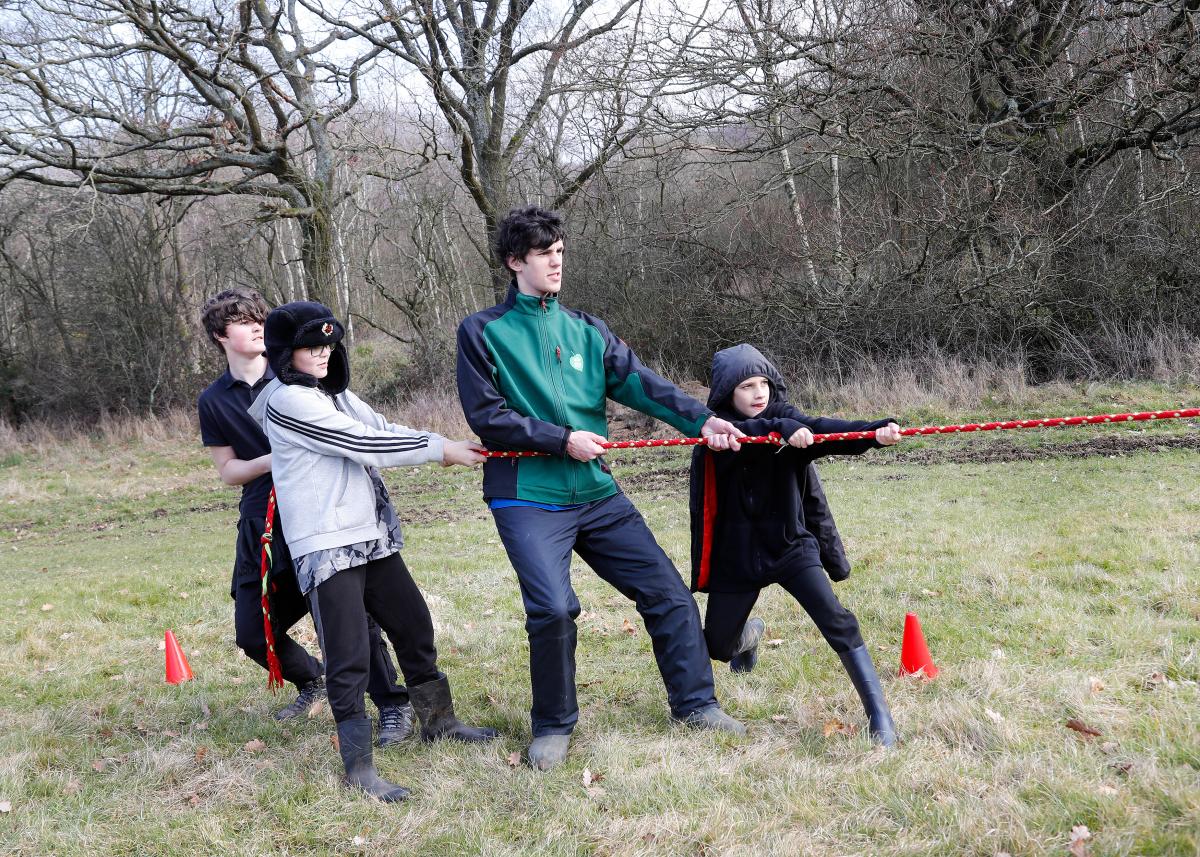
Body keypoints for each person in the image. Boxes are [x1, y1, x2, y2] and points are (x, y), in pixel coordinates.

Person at [456, 205, 747, 771]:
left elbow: (640, 383)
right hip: (527, 495)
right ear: (516, 262)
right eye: (544, 253)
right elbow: (486, 415)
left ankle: (695, 703)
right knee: (552, 608)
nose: (556, 261)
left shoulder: (587, 329)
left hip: (595, 491)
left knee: (666, 592)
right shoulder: (481, 332)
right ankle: (553, 725)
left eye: (560, 251)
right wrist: (560, 438)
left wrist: (700, 420)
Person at [249, 300, 497, 802]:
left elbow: (381, 429)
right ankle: (358, 769)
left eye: (327, 345)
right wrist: (437, 449)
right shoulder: (288, 402)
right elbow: (359, 443)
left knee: (413, 625)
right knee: (348, 655)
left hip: (370, 534)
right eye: (309, 347)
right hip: (326, 544)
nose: (322, 355)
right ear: (283, 354)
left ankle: (439, 721)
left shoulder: (330, 393)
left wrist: (444, 443)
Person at [197, 289, 415, 743]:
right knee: (254, 632)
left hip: (321, 516)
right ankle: (310, 680)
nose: (256, 325)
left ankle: (392, 705)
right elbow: (228, 470)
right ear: (220, 335)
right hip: (264, 522)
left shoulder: (305, 380)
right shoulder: (214, 400)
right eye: (241, 321)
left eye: (259, 318)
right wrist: (282, 452)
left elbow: (363, 434)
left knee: (353, 619)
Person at [688, 343, 902, 746]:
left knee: (835, 618)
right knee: (717, 644)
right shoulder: (715, 433)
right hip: (737, 557)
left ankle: (880, 716)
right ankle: (748, 637)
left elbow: (825, 429)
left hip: (790, 547)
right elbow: (746, 436)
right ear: (727, 394)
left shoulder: (787, 419)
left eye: (763, 383)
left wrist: (874, 432)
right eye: (747, 386)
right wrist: (779, 432)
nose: (758, 393)